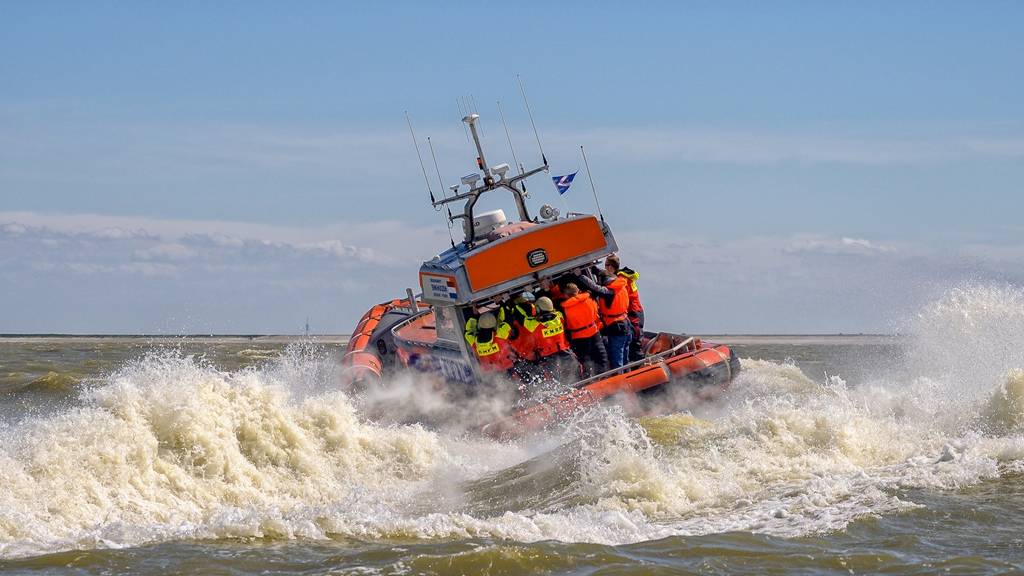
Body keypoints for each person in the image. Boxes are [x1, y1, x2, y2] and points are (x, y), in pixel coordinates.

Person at [520, 296, 580, 387]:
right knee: (575, 375)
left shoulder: (533, 324)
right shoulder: (559, 316)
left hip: (549, 358)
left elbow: (523, 318)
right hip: (566, 353)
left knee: (556, 382)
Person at [578, 270, 632, 369]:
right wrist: (594, 268)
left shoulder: (609, 292)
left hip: (617, 326)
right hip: (626, 323)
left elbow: (596, 288)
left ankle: (620, 379)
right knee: (625, 356)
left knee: (617, 357)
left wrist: (581, 276)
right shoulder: (620, 285)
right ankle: (627, 374)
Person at [560, 283, 608, 378]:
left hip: (578, 337)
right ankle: (604, 377)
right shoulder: (589, 299)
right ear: (577, 291)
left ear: (566, 295)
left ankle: (589, 380)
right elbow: (597, 311)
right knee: (601, 357)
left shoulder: (564, 308)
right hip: (594, 332)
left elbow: (565, 324)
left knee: (585, 361)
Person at [605, 254, 645, 361]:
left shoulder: (621, 280)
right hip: (635, 310)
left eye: (606, 265)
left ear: (610, 267)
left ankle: (639, 365)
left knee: (635, 341)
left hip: (633, 312)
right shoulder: (624, 278)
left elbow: (618, 297)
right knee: (632, 339)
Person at [464, 312, 517, 376]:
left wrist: (474, 316)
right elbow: (509, 319)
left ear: (479, 325)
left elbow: (468, 332)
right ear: (494, 325)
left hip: (491, 374)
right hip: (508, 369)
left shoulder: (474, 341)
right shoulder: (500, 335)